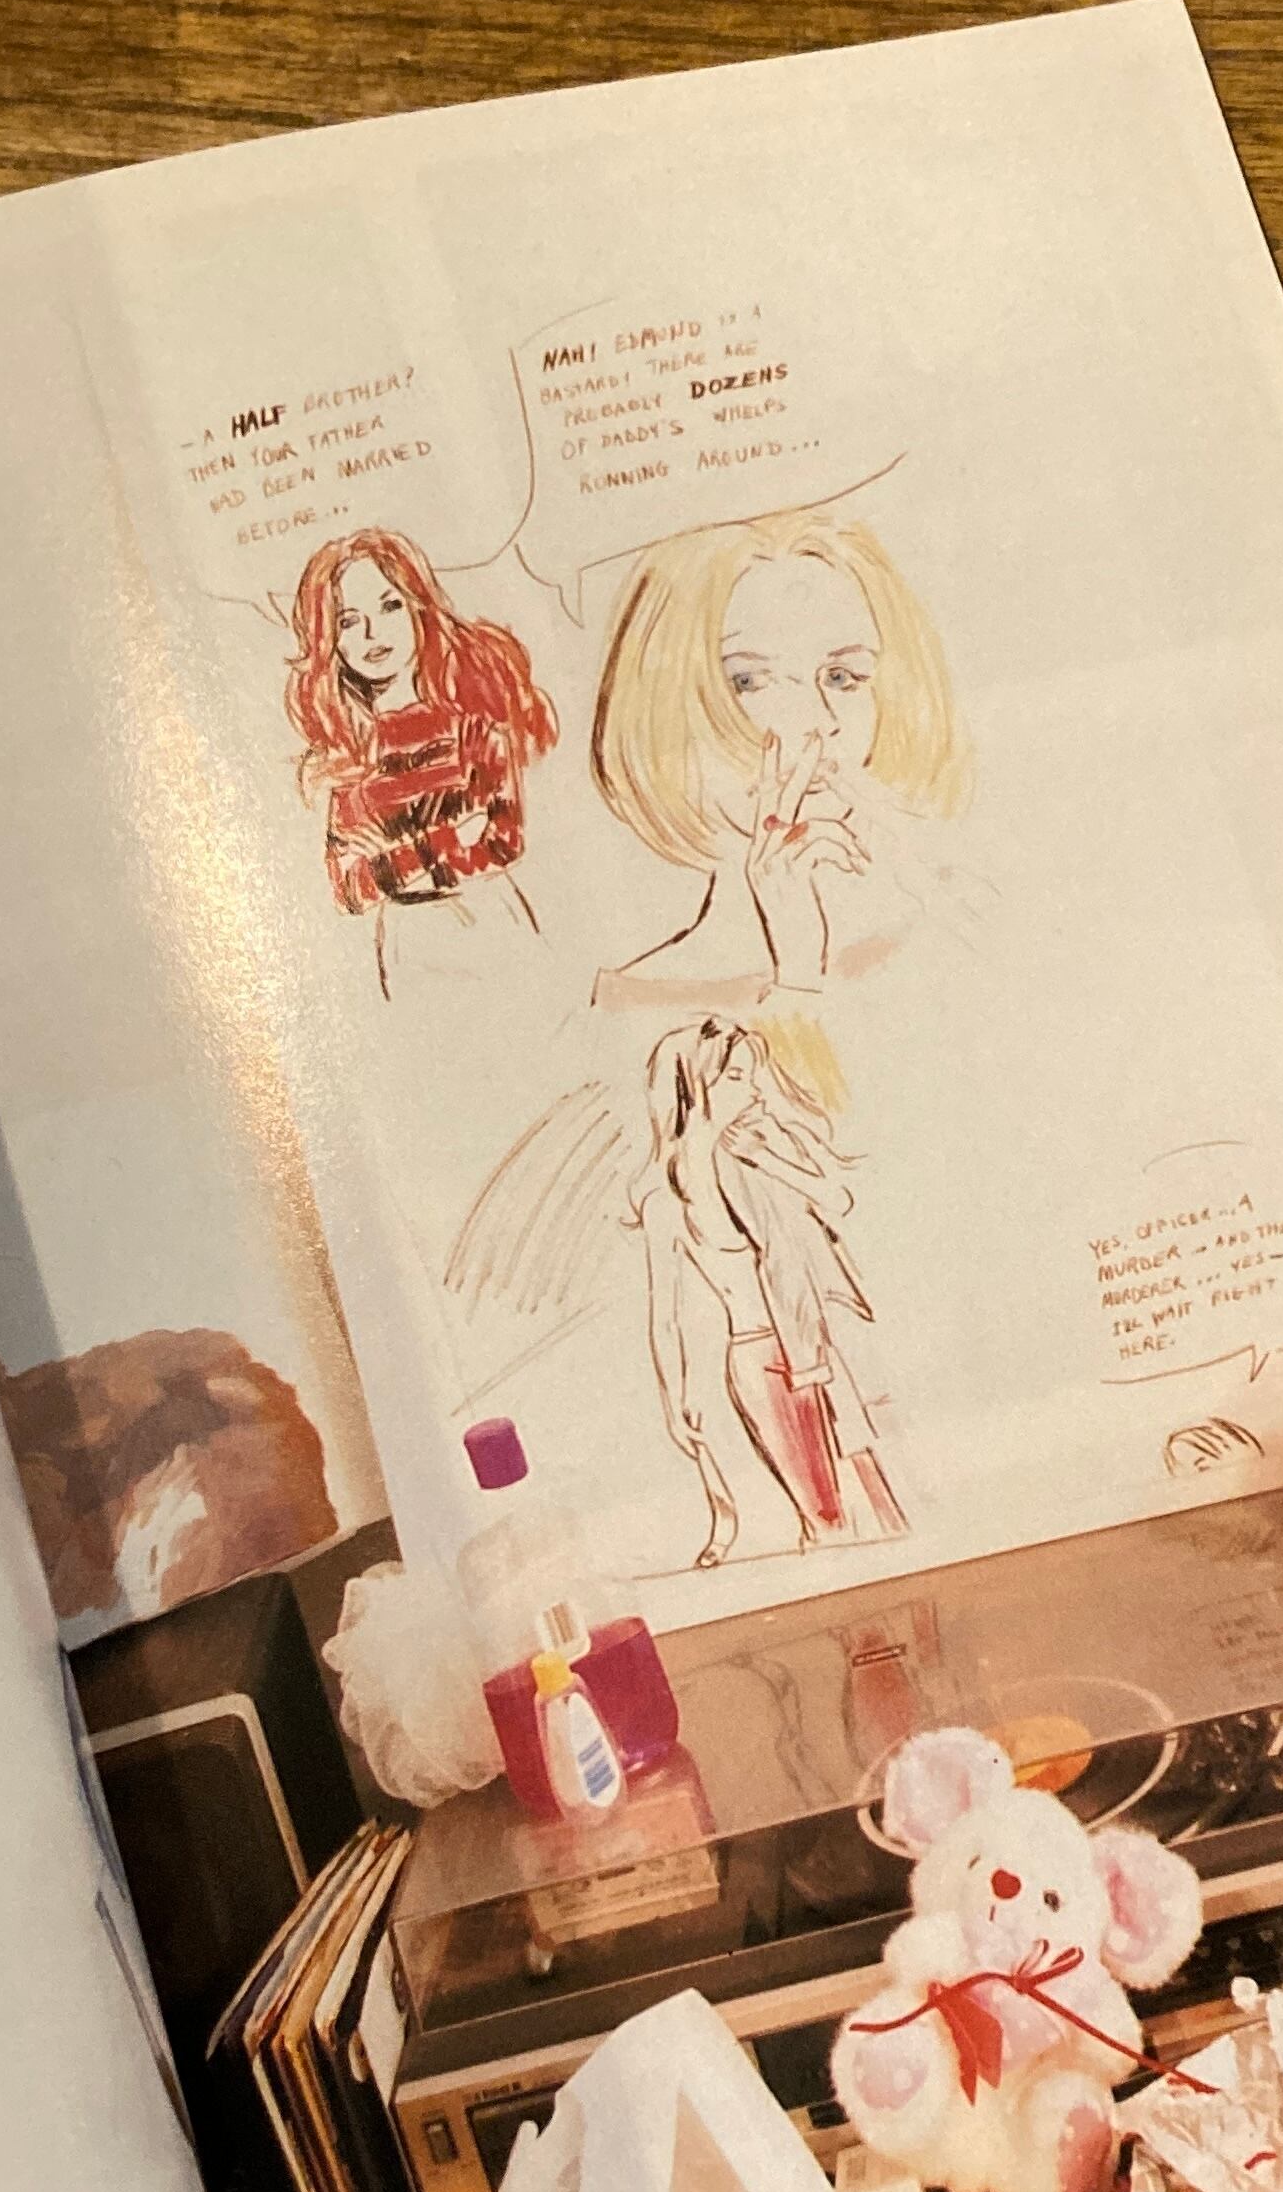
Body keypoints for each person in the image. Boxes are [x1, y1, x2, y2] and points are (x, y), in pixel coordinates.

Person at [589, 509, 968, 1104]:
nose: (815, 722)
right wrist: (796, 971)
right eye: (748, 682)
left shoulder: (940, 930)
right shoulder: (626, 1007)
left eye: (841, 677)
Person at [631, 1015, 906, 1568]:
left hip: (813, 1346)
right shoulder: (666, 1201)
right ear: (693, 1088)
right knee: (823, 1514)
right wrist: (674, 1401)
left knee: (874, 1499)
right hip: (758, 1359)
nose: (753, 1091)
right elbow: (666, 1317)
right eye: (736, 1077)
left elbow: (837, 1200)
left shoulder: (757, 1159)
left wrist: (767, 1158)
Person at [283, 527, 558, 994]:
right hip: (410, 945)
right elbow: (349, 888)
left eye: (390, 606)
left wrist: (392, 859)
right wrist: (445, 841)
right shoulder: (352, 756)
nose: (372, 633)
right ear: (330, 642)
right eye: (348, 621)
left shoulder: (472, 726)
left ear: (419, 609)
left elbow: (502, 843)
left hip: (491, 920)